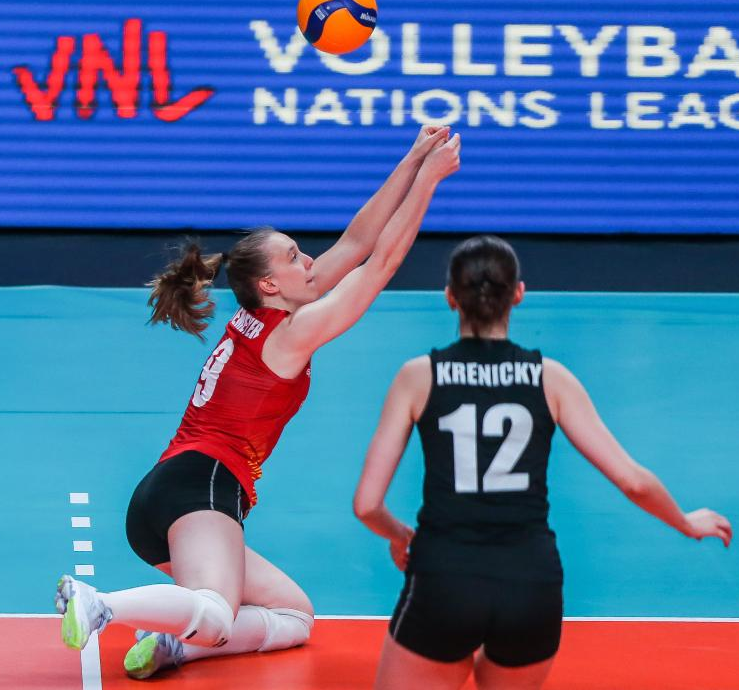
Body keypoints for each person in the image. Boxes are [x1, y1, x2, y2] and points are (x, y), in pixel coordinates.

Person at [54, 126, 461, 680]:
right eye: (295, 256)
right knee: (216, 611)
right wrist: (429, 183)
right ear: (270, 285)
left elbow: (357, 242)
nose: (310, 260)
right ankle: (99, 604)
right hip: (203, 487)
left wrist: (413, 159)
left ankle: (174, 645)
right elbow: (380, 263)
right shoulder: (290, 334)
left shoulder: (266, 315)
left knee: (294, 616)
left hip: (170, 493)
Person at [353, 235, 733, 690]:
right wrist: (686, 522)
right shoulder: (550, 378)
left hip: (444, 580)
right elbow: (633, 481)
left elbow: (366, 504)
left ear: (450, 297)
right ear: (518, 294)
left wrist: (400, 536)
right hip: (530, 586)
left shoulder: (419, 376)